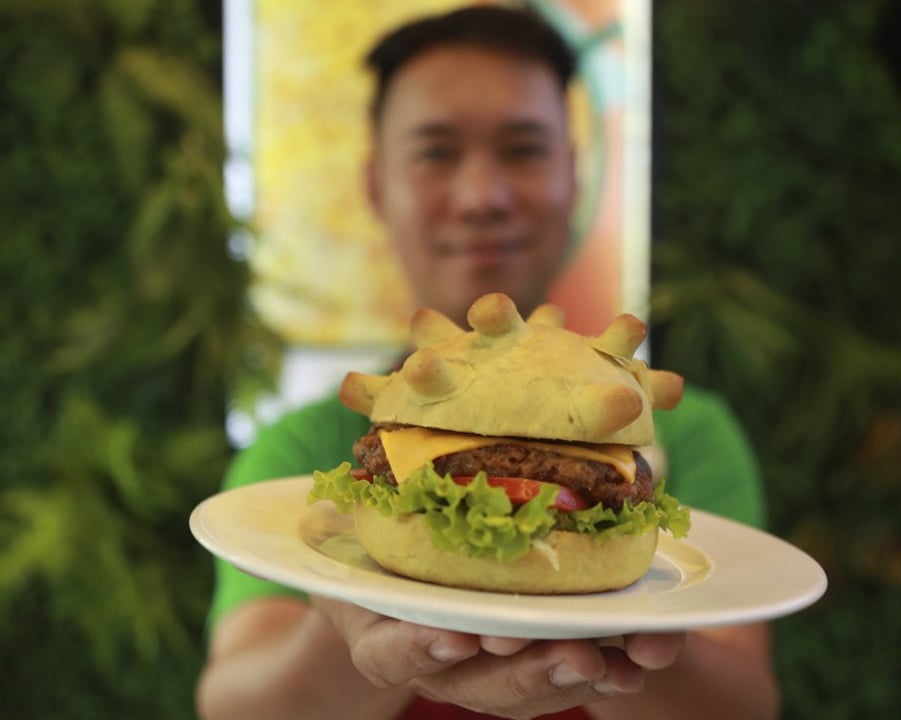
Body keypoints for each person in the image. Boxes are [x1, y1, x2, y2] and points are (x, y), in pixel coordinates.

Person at [196, 5, 779, 719]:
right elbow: (233, 706)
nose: (482, 197)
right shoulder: (297, 452)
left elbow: (746, 708)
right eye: (436, 153)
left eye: (524, 150)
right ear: (378, 186)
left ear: (573, 177)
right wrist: (349, 602)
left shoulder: (690, 434)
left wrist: (628, 630)